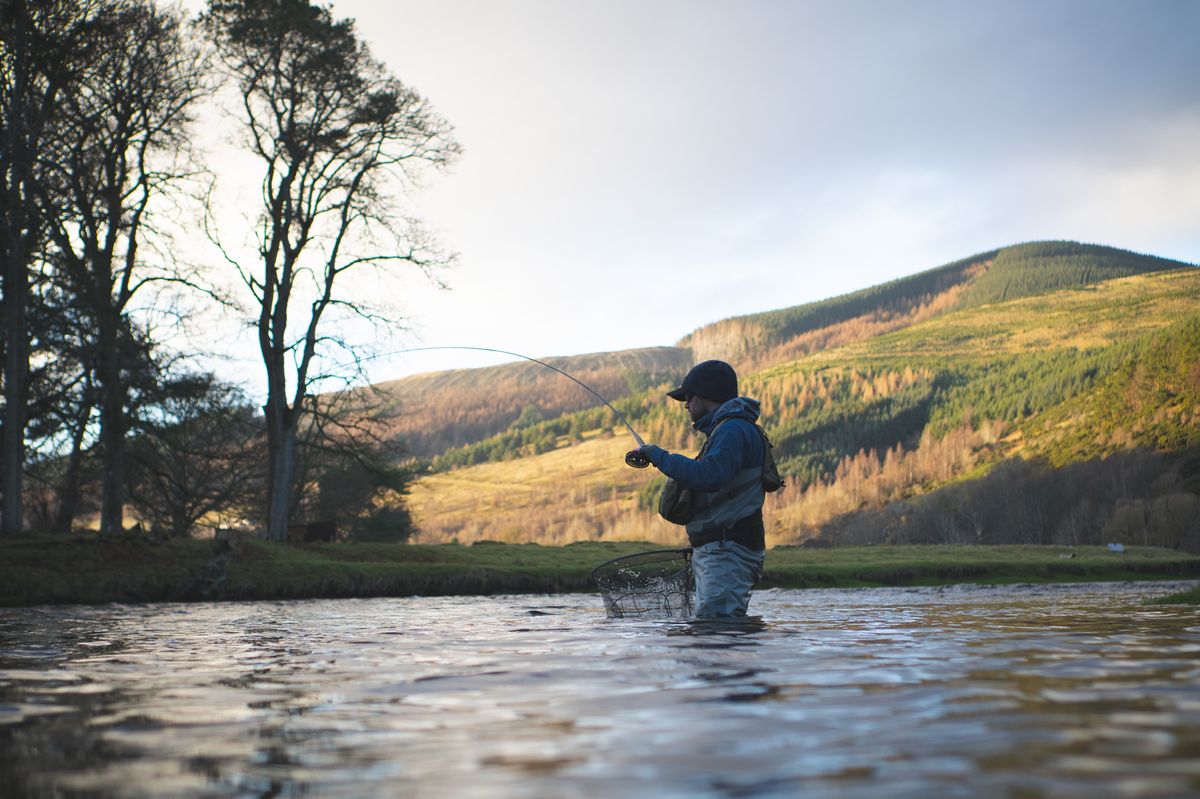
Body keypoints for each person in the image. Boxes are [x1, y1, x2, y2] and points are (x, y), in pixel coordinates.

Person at [637, 360, 767, 618]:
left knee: (717, 632)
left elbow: (710, 476)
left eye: (688, 397)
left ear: (705, 396)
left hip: (726, 550)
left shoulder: (732, 429)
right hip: (723, 548)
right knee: (715, 636)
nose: (685, 404)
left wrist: (660, 457)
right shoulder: (731, 428)